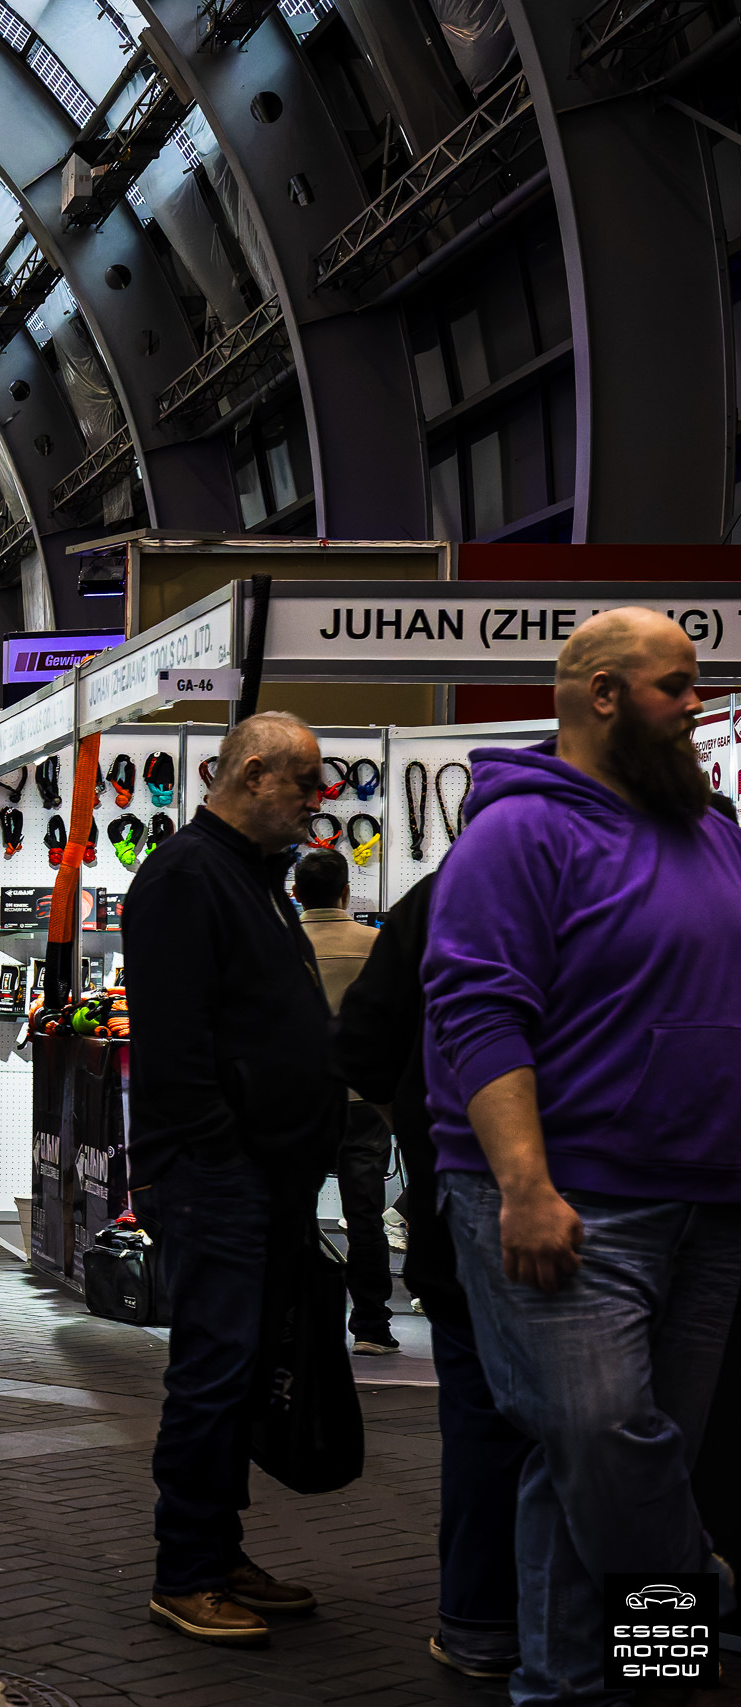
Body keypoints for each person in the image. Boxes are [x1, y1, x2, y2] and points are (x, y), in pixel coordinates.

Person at [424, 608, 741, 1703]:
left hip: (707, 1198)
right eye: (676, 686)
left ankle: (592, 1687)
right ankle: (695, 1602)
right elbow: (478, 1011)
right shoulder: (517, 835)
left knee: (606, 1468)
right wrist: (524, 1185)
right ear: (602, 694)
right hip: (568, 1201)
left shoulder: (709, 833)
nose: (696, 705)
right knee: (607, 1440)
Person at [121, 710, 339, 1647]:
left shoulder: (254, 877)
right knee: (212, 1371)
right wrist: (222, 1152)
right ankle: (186, 1569)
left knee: (243, 1368)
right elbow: (177, 1046)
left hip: (261, 1173)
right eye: (305, 783)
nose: (315, 803)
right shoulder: (186, 876)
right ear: (253, 773)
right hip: (218, 1176)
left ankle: (219, 1547)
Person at [334, 870, 528, 1681]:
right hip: (653, 1208)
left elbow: (365, 1043)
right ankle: (649, 1655)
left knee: (517, 1426)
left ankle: (494, 1626)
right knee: (638, 1438)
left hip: (497, 1203)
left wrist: (421, 1127)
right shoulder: (693, 863)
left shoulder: (462, 883)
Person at [290, 848, 396, 1356]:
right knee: (365, 1215)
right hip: (365, 1100)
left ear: (295, 894)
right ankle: (372, 1325)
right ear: (346, 893)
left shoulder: (278, 945)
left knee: (293, 1212)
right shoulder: (379, 946)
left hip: (299, 1101)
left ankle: (296, 1317)